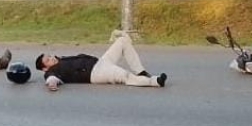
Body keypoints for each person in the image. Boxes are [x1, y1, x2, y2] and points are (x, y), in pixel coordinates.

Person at [35, 32, 167, 91]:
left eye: (50, 56)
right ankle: (155, 81)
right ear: (45, 68)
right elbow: (51, 79)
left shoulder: (60, 60)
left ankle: (141, 72)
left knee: (122, 42)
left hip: (100, 62)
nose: (51, 58)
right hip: (96, 73)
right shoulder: (52, 72)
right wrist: (51, 84)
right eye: (48, 60)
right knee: (124, 76)